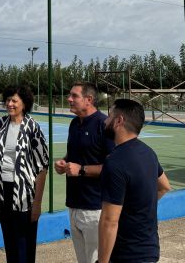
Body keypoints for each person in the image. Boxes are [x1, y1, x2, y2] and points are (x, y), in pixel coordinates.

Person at [98, 98, 171, 263]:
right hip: (149, 250)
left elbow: (109, 222)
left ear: (119, 121)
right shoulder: (148, 153)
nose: (105, 121)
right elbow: (164, 186)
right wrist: (139, 208)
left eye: (109, 116)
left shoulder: (114, 162)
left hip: (126, 254)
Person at [0, 85, 49, 263]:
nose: (10, 104)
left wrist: (37, 203)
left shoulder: (33, 128)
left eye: (14, 100)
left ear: (24, 103)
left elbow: (42, 167)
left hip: (24, 194)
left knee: (25, 242)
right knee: (9, 240)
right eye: (8, 100)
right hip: (2, 191)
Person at [54, 82, 114, 263]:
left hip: (95, 209)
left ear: (89, 100)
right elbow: (77, 155)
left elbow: (113, 168)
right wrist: (63, 163)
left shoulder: (104, 125)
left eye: (74, 96)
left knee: (96, 260)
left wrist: (81, 170)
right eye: (69, 95)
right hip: (73, 205)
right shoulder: (74, 124)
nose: (69, 99)